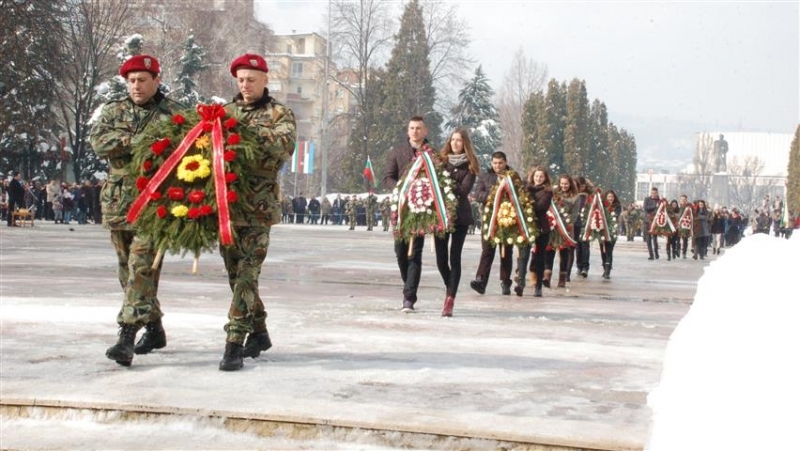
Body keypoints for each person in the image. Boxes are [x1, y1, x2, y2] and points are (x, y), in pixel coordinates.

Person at [89, 54, 185, 366]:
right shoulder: (113, 109)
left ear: (156, 80)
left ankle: (126, 336)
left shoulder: (174, 113)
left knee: (141, 265)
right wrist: (143, 140)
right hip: (119, 201)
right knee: (125, 269)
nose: (136, 86)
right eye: (131, 80)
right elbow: (99, 142)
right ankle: (155, 328)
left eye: (142, 80)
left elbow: (183, 148)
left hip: (155, 202)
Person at [217, 53, 297, 371]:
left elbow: (282, 147)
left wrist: (241, 136)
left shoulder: (280, 113)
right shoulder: (223, 113)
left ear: (265, 79)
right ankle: (260, 331)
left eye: (251, 79)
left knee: (248, 273)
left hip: (259, 208)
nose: (245, 85)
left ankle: (234, 342)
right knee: (236, 275)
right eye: (240, 79)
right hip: (228, 208)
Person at [383, 115, 432, 312]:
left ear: (425, 131)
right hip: (401, 208)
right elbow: (387, 178)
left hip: (421, 208)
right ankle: (408, 286)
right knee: (400, 252)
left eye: (419, 128)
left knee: (415, 253)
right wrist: (402, 188)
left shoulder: (431, 154)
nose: (415, 131)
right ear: (407, 131)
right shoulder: (397, 151)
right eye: (412, 128)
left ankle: (409, 297)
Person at [434, 128, 478, 317]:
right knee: (441, 259)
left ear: (465, 143)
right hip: (441, 215)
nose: (455, 143)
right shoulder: (441, 162)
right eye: (453, 140)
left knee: (454, 257)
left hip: (460, 216)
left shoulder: (470, 166)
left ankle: (450, 298)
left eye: (459, 140)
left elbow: (463, 190)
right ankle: (450, 285)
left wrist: (444, 181)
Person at [470, 151, 519, 296]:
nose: (498, 166)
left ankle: (505, 281)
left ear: (505, 162)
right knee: (487, 250)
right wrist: (493, 196)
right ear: (491, 163)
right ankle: (481, 281)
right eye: (495, 163)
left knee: (506, 252)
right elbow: (478, 194)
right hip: (489, 219)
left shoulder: (513, 177)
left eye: (500, 163)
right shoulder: (485, 177)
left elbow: (520, 194)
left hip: (507, 219)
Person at [526, 166, 553, 297]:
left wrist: (527, 202)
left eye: (541, 176)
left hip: (541, 227)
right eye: (536, 176)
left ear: (545, 178)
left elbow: (542, 207)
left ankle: (538, 286)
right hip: (526, 226)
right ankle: (521, 280)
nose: (538, 178)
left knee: (540, 257)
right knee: (524, 254)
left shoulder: (547, 192)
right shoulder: (526, 188)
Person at [600, 190, 621, 279]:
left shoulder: (617, 206)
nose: (610, 199)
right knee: (603, 251)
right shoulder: (602, 205)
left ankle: (608, 270)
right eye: (609, 197)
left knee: (609, 250)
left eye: (612, 197)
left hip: (612, 231)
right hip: (602, 230)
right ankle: (605, 267)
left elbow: (615, 215)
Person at [643, 187, 660, 260]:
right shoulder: (647, 199)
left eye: (655, 193)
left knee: (655, 239)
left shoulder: (659, 201)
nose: (653, 194)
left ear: (657, 193)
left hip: (655, 222)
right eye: (652, 193)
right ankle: (651, 255)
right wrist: (654, 206)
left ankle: (656, 252)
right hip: (647, 221)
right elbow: (646, 208)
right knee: (648, 239)